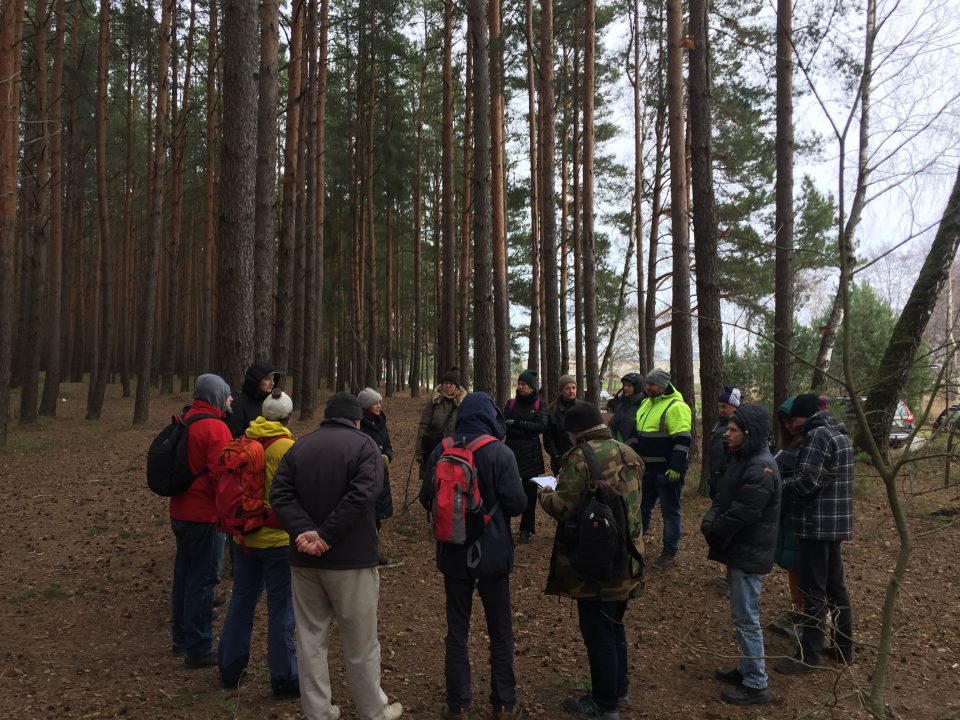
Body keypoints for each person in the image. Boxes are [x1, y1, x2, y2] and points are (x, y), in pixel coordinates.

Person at [270, 392, 403, 720]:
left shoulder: (299, 446)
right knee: (361, 641)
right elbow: (363, 495)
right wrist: (324, 536)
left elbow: (280, 494)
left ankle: (318, 712)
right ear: (357, 419)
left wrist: (306, 532)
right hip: (351, 562)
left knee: (310, 641)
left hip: (305, 562)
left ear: (327, 417)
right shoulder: (365, 446)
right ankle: (373, 711)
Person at [419, 392, 527, 720]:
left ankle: (458, 705)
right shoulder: (500, 452)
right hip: (492, 552)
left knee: (457, 629)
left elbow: (426, 497)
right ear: (491, 417)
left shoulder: (442, 449)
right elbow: (517, 504)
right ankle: (504, 703)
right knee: (500, 630)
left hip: (452, 551)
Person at [539, 401, 644, 720]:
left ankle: (604, 704)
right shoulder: (630, 453)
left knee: (598, 634)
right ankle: (618, 689)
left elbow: (562, 507)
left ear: (577, 432)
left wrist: (544, 492)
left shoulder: (580, 458)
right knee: (614, 626)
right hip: (628, 558)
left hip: (596, 562)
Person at [218, 390, 299, 697]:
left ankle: (230, 668)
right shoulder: (287, 447)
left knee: (241, 600)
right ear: (288, 417)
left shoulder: (246, 438)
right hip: (277, 541)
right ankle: (284, 676)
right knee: (281, 608)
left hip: (244, 536)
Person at [701, 405, 781, 706]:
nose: (727, 434)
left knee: (747, 618)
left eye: (733, 430)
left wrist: (714, 529)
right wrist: (710, 521)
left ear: (749, 433)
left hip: (749, 553)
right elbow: (723, 498)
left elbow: (744, 511)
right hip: (740, 549)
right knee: (741, 615)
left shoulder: (761, 468)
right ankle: (747, 669)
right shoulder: (744, 460)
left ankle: (757, 683)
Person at [774, 393, 855, 674]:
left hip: (816, 524)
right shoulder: (839, 433)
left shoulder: (817, 435)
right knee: (835, 589)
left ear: (803, 416)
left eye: (794, 419)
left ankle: (808, 656)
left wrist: (777, 483)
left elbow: (808, 481)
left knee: (813, 591)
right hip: (835, 525)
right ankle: (843, 649)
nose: (792, 426)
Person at [170, 374, 233, 667]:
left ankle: (180, 638)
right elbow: (223, 474)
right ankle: (198, 647)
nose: (230, 399)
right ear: (215, 395)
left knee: (184, 574)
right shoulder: (215, 428)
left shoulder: (186, 418)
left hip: (180, 511)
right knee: (203, 579)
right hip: (204, 514)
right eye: (226, 394)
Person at [630, 368, 693, 569]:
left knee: (670, 512)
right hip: (646, 469)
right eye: (647, 383)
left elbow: (682, 440)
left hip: (666, 472)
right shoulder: (646, 403)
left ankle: (669, 552)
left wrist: (676, 467)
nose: (648, 387)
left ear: (663, 385)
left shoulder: (677, 406)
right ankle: (636, 545)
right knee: (642, 508)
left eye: (652, 384)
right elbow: (639, 434)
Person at [768, 396, 806, 642]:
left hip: (801, 516)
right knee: (793, 566)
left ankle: (808, 616)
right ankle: (797, 610)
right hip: (785, 514)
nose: (789, 426)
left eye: (791, 420)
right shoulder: (784, 446)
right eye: (784, 422)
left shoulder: (808, 446)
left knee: (803, 566)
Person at [503, 369, 549, 544]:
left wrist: (518, 423)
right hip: (511, 451)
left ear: (531, 387)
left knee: (530, 492)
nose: (520, 387)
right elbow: (504, 425)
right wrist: (525, 428)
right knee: (507, 488)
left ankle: (526, 528)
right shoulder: (511, 403)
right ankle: (504, 525)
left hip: (531, 454)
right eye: (519, 384)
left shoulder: (539, 404)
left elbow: (541, 426)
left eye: (523, 384)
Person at [357, 387, 399, 568]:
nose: (379, 406)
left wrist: (387, 456)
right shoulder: (359, 424)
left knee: (376, 517)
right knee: (365, 516)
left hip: (381, 474)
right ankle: (365, 552)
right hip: (365, 476)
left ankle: (372, 551)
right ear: (366, 405)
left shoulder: (381, 421)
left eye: (379, 402)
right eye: (375, 403)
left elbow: (388, 445)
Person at [415, 367, 467, 475]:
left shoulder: (464, 404)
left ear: (457, 386)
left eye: (451, 383)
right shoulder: (434, 402)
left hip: (455, 452)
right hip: (433, 450)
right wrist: (419, 450)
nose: (447, 386)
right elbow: (424, 425)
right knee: (431, 481)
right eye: (445, 383)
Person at [226, 362, 282, 438]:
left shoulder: (266, 404)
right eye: (267, 379)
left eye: (273, 379)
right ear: (256, 380)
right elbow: (234, 437)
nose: (272, 383)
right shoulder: (237, 404)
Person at [708, 386, 742, 501]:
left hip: (729, 477)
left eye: (724, 406)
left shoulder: (740, 426)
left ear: (735, 406)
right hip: (716, 477)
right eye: (719, 406)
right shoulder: (718, 424)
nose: (721, 410)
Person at [543, 374, 579, 475]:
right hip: (560, 459)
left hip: (581, 458)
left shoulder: (583, 408)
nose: (571, 391)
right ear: (561, 391)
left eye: (573, 388)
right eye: (567, 388)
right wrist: (557, 457)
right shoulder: (552, 410)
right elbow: (548, 439)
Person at [607, 373, 645, 444]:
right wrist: (612, 441)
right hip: (617, 446)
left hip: (634, 448)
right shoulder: (622, 405)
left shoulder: (644, 406)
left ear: (637, 388)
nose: (625, 388)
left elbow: (641, 434)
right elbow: (612, 425)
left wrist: (627, 446)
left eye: (629, 385)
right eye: (624, 385)